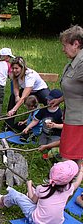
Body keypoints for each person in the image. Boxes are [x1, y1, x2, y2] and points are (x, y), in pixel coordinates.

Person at [0, 160, 83, 224]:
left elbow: (33, 200)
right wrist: (81, 171)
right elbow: (78, 181)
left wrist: (29, 185)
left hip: (37, 220)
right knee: (34, 194)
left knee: (16, 196)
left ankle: (0, 200)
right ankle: (5, 200)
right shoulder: (69, 189)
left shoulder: (42, 189)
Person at [49, 25, 83, 161]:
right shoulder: (74, 62)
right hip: (71, 117)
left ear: (76, 44)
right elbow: (76, 88)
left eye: (65, 45)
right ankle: (69, 180)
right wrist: (60, 99)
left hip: (79, 121)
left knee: (69, 158)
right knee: (71, 156)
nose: (63, 49)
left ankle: (67, 181)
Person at [6, 56, 49, 129]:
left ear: (22, 68)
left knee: (48, 101)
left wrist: (14, 109)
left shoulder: (29, 75)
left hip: (40, 90)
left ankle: (48, 123)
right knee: (13, 96)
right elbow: (16, 87)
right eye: (13, 68)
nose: (14, 70)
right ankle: (8, 124)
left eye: (16, 68)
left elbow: (24, 97)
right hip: (28, 90)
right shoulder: (14, 74)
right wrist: (16, 96)